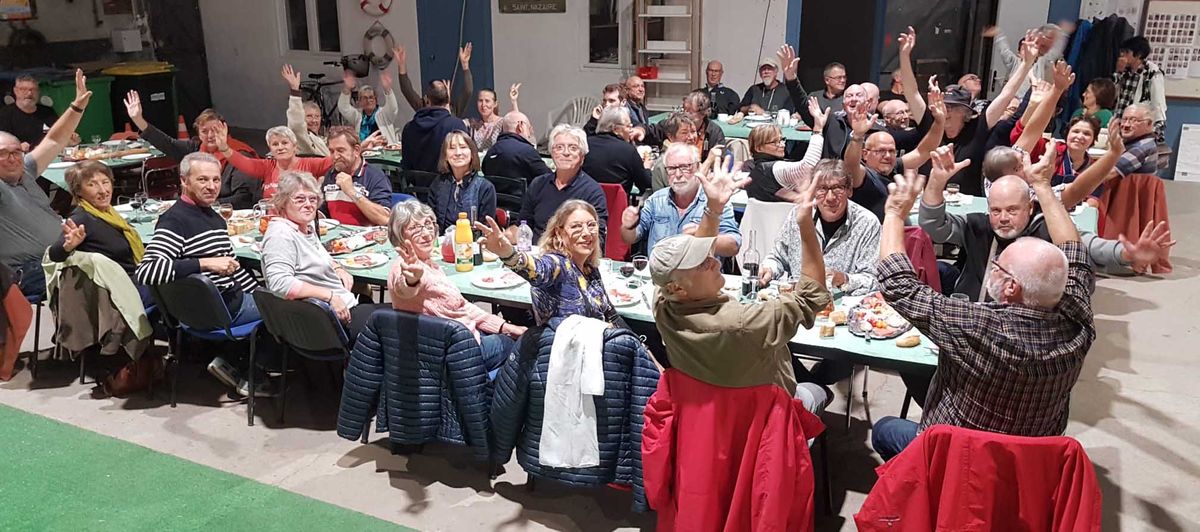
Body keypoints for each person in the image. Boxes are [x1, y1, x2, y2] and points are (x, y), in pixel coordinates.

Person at [871, 166, 1094, 460]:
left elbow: (900, 286)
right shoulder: (1079, 321)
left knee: (884, 429)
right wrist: (1041, 184)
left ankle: (925, 499)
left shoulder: (978, 326)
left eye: (1000, 265)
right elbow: (1074, 255)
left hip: (955, 459)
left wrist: (895, 214)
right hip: (1030, 461)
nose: (995, 266)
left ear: (1012, 287)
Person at [650, 154, 831, 413]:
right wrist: (804, 224)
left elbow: (683, 264)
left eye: (706, 255)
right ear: (677, 288)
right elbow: (810, 298)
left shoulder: (663, 306)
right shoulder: (747, 321)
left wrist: (713, 207)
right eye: (701, 263)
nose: (713, 261)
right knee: (817, 389)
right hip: (768, 420)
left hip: (706, 417)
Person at [920, 144, 1171, 301]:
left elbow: (1086, 245)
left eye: (1012, 209)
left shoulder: (1045, 228)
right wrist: (936, 182)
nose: (1003, 217)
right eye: (996, 210)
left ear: (1030, 206)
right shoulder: (977, 225)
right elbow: (934, 226)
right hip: (972, 317)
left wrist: (1128, 254)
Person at [135, 152, 266, 397]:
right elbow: (147, 271)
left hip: (212, 306)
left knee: (270, 295)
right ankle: (251, 374)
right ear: (184, 181)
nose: (212, 186)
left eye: (216, 180)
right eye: (203, 180)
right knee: (288, 308)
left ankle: (232, 361)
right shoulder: (175, 221)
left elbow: (233, 266)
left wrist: (258, 292)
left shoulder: (214, 219)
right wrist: (204, 263)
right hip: (218, 309)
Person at [897, 25, 1038, 196]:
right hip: (927, 200)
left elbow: (1006, 95)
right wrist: (904, 55)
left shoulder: (977, 127)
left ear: (965, 112)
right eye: (944, 105)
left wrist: (1026, 64)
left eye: (952, 107)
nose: (945, 111)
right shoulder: (931, 123)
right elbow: (912, 92)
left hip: (969, 205)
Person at [388, 200, 526, 372]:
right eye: (415, 228)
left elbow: (461, 307)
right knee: (525, 345)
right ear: (400, 235)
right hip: (455, 353)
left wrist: (503, 326)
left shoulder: (429, 264)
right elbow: (404, 287)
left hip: (453, 344)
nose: (426, 234)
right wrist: (412, 280)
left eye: (428, 225)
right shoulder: (404, 267)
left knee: (512, 334)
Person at [262, 171, 386, 340]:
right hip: (326, 322)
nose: (308, 204)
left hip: (337, 309)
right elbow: (280, 283)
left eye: (312, 199)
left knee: (377, 305)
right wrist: (330, 296)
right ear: (283, 202)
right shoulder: (281, 234)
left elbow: (320, 252)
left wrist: (337, 267)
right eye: (299, 199)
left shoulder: (304, 227)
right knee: (403, 320)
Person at [1, 68, 90, 299]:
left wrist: (77, 106)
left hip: (62, 252)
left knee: (116, 253)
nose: (12, 158)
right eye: (3, 154)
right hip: (29, 270)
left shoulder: (26, 169)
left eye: (15, 152)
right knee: (95, 274)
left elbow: (53, 139)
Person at [478, 200, 617, 326]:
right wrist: (508, 254)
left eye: (591, 225)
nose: (587, 233)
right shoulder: (557, 264)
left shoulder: (589, 268)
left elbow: (611, 314)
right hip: (566, 349)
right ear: (559, 233)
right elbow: (536, 269)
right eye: (576, 227)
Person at [760, 158, 881, 301]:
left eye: (837, 188)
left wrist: (843, 279)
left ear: (849, 190)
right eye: (822, 189)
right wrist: (769, 269)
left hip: (842, 307)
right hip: (799, 302)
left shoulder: (867, 223)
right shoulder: (799, 215)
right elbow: (778, 257)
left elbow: (872, 280)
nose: (830, 198)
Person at [124, 93, 262, 209]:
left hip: (228, 212)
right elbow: (167, 143)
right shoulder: (195, 149)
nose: (210, 136)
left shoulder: (240, 155)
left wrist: (206, 205)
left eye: (215, 131)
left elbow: (244, 198)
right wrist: (138, 120)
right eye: (204, 131)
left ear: (225, 130)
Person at [47, 161, 150, 304]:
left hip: (135, 278)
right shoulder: (81, 218)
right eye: (92, 184)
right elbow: (54, 254)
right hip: (121, 291)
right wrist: (68, 246)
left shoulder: (108, 213)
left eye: (105, 182)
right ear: (78, 191)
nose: (103, 190)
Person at [621, 143, 741, 256]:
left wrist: (703, 237)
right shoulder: (656, 200)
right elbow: (630, 238)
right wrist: (628, 226)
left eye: (685, 167)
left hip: (699, 276)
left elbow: (733, 245)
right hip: (660, 274)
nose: (678, 174)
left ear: (698, 167)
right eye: (672, 168)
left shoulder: (714, 201)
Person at [844, 91, 946, 220]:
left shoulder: (893, 167)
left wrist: (940, 122)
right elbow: (850, 166)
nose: (887, 156)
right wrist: (857, 137)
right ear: (865, 154)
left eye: (891, 151)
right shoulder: (864, 176)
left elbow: (923, 151)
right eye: (880, 151)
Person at [518, 125, 608, 241]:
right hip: (536, 253)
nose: (565, 153)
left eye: (573, 148)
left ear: (582, 156)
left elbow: (596, 239)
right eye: (559, 147)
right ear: (551, 153)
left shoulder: (592, 192)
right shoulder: (538, 184)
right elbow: (523, 225)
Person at [743, 97, 827, 203]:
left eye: (782, 140)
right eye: (775, 142)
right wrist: (818, 130)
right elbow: (808, 166)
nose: (782, 145)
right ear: (758, 148)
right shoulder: (771, 169)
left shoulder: (756, 172)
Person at [219, 123, 333, 200]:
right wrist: (225, 148)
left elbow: (336, 160)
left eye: (284, 143)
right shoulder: (267, 166)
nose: (280, 147)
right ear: (270, 149)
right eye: (275, 144)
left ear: (295, 147)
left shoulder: (309, 164)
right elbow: (243, 162)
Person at [321, 126, 393, 226]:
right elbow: (323, 211)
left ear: (356, 150)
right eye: (332, 151)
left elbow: (385, 219)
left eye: (340, 150)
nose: (335, 157)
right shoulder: (331, 174)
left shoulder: (376, 176)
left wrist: (352, 192)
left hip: (366, 238)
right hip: (335, 238)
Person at [429, 130, 497, 230]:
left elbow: (486, 228)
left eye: (463, 147)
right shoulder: (438, 184)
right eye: (452, 148)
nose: (458, 153)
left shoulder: (485, 188)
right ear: (445, 156)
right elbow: (431, 222)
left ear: (472, 153)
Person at [399, 80, 470, 173]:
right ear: (448, 99)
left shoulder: (409, 128)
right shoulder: (456, 125)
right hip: (446, 185)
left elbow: (406, 165)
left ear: (427, 100)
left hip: (416, 185)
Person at [582, 106, 651, 196]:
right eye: (628, 126)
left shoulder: (585, 145)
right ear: (616, 129)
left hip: (585, 205)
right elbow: (645, 185)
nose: (631, 130)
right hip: (618, 207)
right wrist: (646, 168)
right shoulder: (628, 151)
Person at [635, 90, 726, 153]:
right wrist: (641, 130)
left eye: (690, 112)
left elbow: (720, 158)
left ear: (703, 114)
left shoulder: (714, 132)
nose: (685, 114)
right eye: (683, 109)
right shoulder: (673, 124)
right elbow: (651, 131)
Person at [0, 74, 77, 149]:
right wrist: (17, 147)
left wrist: (69, 139)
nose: (29, 93)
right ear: (15, 91)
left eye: (33, 90)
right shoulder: (5, 115)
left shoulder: (47, 112)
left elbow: (59, 135)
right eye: (24, 89)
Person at [1113, 36, 1167, 137]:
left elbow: (1158, 104)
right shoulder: (1124, 72)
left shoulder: (1152, 73)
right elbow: (1113, 97)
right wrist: (1118, 72)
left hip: (1138, 128)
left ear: (1138, 55)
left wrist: (1156, 130)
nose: (1122, 55)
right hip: (1121, 125)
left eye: (1126, 52)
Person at [337, 62, 402, 142]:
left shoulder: (384, 113)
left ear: (376, 100)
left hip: (384, 151)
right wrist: (347, 87)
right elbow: (343, 107)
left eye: (371, 97)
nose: (368, 100)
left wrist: (387, 89)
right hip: (364, 151)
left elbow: (393, 108)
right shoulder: (357, 115)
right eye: (364, 98)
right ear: (359, 101)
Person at [482, 111, 550, 180]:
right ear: (520, 126)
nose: (530, 133)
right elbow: (548, 177)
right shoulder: (527, 151)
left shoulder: (491, 152)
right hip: (524, 190)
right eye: (529, 128)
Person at [280, 64, 329, 156]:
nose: (314, 120)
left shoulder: (322, 138)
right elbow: (296, 122)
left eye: (317, 116)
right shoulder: (302, 136)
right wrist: (295, 90)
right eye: (309, 116)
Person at [647, 113, 698, 192]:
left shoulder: (696, 157)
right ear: (670, 137)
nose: (691, 137)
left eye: (693, 131)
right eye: (684, 133)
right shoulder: (662, 166)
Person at [1108, 103, 1160, 180]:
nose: (1126, 125)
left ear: (1149, 124)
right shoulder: (1135, 142)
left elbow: (1108, 175)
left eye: (1133, 120)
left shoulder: (1141, 147)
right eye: (1124, 119)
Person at [465, 83, 519, 152]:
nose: (483, 105)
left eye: (487, 101)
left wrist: (514, 101)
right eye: (480, 101)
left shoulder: (502, 123)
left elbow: (516, 124)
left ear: (495, 104)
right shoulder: (473, 124)